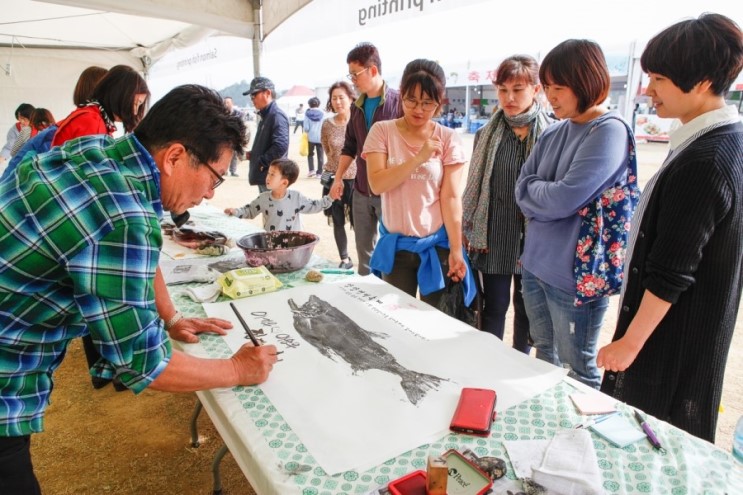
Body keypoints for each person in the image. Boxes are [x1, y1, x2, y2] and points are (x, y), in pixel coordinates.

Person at [0, 84, 278, 494]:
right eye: (214, 178)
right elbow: (142, 363)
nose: (209, 195)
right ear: (175, 157)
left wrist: (172, 316)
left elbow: (141, 256)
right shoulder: (123, 215)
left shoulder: (102, 154)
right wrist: (238, 370)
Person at [597, 13, 743, 443]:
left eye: (658, 78)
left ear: (699, 82)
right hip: (688, 333)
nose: (648, 90)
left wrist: (628, 344)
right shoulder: (719, 140)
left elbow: (672, 271)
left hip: (672, 342)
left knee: (653, 442)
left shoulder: (707, 159)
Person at [514, 39, 635, 389]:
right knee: (544, 359)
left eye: (559, 87)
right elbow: (521, 190)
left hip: (576, 278)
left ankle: (580, 440)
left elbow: (562, 199)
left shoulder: (609, 131)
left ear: (586, 81)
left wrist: (540, 191)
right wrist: (541, 192)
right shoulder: (554, 130)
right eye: (547, 86)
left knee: (578, 369)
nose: (550, 96)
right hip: (535, 265)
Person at [463, 55, 554, 353]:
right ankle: (489, 363)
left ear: (536, 89)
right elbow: (474, 188)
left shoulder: (554, 134)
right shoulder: (486, 135)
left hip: (536, 240)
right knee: (494, 308)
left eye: (518, 89)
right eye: (503, 90)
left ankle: (518, 360)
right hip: (494, 236)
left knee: (528, 313)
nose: (509, 97)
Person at [365, 58, 473, 308]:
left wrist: (457, 249)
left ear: (439, 102)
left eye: (428, 103)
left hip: (436, 248)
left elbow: (451, 198)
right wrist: (419, 158)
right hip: (397, 248)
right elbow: (377, 184)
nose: (419, 109)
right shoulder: (382, 132)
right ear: (401, 94)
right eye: (411, 100)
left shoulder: (448, 138)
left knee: (435, 322)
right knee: (395, 320)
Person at [329, 42, 402, 275]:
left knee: (393, 252)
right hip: (361, 190)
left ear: (372, 70)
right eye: (350, 75)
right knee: (364, 254)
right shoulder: (357, 108)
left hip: (391, 192)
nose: (353, 80)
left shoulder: (398, 103)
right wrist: (338, 178)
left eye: (355, 74)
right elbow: (350, 146)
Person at [1, 66, 109, 181]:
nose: (21, 121)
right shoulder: (89, 119)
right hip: (30, 177)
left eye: (23, 118)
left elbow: (14, 152)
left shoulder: (75, 120)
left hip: (25, 176)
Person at [52, 64, 149, 147]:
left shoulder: (95, 117)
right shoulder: (92, 121)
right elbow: (92, 167)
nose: (135, 112)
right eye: (135, 103)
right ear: (119, 95)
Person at [225, 158, 331, 231]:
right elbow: (249, 210)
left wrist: (330, 198)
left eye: (272, 175)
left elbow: (314, 206)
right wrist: (235, 212)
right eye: (268, 173)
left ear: (284, 182)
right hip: (271, 244)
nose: (268, 177)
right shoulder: (263, 198)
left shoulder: (296, 198)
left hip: (293, 245)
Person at [321, 81, 357, 270]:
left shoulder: (358, 121)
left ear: (351, 98)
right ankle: (344, 258)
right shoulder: (327, 124)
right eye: (334, 98)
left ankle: (367, 260)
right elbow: (327, 149)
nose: (338, 101)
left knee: (360, 222)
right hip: (334, 179)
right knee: (337, 220)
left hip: (356, 180)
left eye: (341, 97)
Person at [244, 77, 290, 193]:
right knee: (268, 209)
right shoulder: (267, 115)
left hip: (271, 175)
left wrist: (262, 161)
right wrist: (254, 154)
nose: (252, 99)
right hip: (266, 175)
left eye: (254, 95)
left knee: (273, 209)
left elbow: (280, 146)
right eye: (251, 97)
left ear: (268, 93)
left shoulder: (276, 116)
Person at [224, 96, 249, 177]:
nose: (226, 104)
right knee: (224, 154)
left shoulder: (239, 114)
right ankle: (224, 170)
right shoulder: (221, 113)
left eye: (228, 102)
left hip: (235, 137)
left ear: (232, 103)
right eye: (225, 102)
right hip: (224, 137)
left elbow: (242, 125)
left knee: (234, 155)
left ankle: (233, 171)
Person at [303, 96, 325, 177]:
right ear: (318, 104)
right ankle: (319, 173)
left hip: (310, 138)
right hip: (320, 138)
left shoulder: (307, 114)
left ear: (309, 105)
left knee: (310, 154)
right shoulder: (323, 113)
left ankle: (311, 170)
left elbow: (306, 128)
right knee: (320, 156)